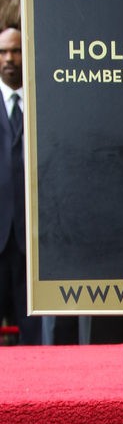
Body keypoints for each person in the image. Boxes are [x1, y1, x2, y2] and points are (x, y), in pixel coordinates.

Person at [0, 25, 40, 344]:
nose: (9, 58)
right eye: (2, 52)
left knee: (34, 334)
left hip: (34, 242)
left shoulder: (44, 102)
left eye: (15, 50)